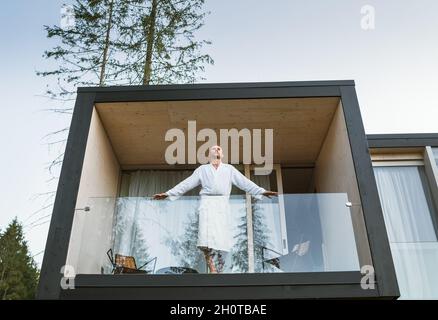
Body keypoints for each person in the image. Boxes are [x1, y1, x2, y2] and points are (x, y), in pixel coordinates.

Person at [153, 145, 278, 273]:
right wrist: (169, 193)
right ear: (208, 155)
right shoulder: (203, 169)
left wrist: (261, 191)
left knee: (222, 238)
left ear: (222, 155)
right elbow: (187, 184)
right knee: (205, 239)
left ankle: (220, 268)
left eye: (219, 148)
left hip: (222, 204)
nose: (217, 150)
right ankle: (212, 268)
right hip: (206, 204)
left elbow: (244, 182)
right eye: (213, 148)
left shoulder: (229, 169)